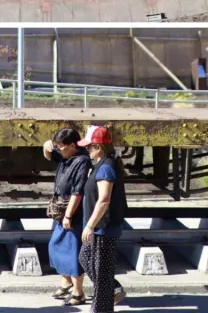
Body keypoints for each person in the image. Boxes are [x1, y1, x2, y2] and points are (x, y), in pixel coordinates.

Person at [77, 126, 128, 312]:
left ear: (98, 147)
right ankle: (113, 289)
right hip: (99, 227)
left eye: (89, 146)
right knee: (86, 259)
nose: (87, 150)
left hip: (103, 228)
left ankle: (101, 308)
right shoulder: (100, 166)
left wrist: (89, 226)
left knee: (102, 274)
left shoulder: (106, 168)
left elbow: (104, 199)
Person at [43, 128, 91, 305]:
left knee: (73, 251)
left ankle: (78, 292)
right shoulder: (66, 157)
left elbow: (77, 192)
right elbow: (49, 156)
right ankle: (67, 282)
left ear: (72, 145)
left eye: (60, 146)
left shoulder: (81, 161)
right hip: (62, 210)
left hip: (73, 213)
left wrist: (69, 216)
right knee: (56, 246)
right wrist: (47, 146)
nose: (58, 149)